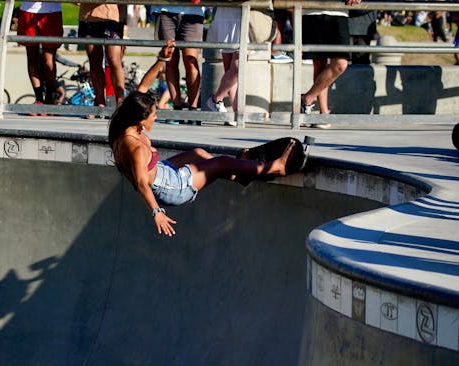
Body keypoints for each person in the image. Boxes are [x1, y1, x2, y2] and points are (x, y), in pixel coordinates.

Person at [108, 40, 300, 237]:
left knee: (198, 154)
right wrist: (157, 212)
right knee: (223, 162)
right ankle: (276, 167)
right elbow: (141, 182)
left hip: (162, 171)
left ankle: (240, 174)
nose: (156, 118)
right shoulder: (136, 148)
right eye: (153, 116)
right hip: (172, 188)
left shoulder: (126, 116)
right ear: (140, 119)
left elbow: (145, 84)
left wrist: (162, 58)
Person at [300, 0, 363, 129]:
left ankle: (307, 98)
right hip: (312, 11)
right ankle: (323, 113)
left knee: (340, 64)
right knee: (319, 63)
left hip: (339, 12)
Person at [153, 5, 205, 114]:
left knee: (191, 61)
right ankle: (177, 108)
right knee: (170, 60)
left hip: (193, 10)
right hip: (165, 9)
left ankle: (193, 109)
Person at [78, 3, 126, 110]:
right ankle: (99, 101)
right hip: (87, 18)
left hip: (113, 18)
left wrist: (124, 22)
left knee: (114, 60)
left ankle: (120, 101)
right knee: (94, 61)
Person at [17, 2, 63, 107]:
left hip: (51, 11)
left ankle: (49, 97)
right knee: (32, 59)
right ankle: (39, 98)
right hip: (28, 10)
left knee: (48, 61)